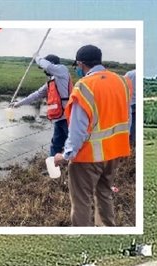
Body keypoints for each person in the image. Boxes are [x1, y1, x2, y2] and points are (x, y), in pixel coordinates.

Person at [54, 44, 133, 227]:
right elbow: (127, 117)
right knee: (104, 194)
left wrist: (65, 156)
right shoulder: (122, 81)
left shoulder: (84, 87)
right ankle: (106, 229)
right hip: (114, 153)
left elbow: (78, 131)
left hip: (87, 157)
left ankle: (81, 235)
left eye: (77, 66)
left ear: (80, 64)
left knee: (82, 201)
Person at [10, 54, 72, 155]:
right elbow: (37, 94)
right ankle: (53, 167)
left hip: (68, 117)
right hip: (59, 117)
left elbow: (48, 66)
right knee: (56, 145)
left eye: (44, 68)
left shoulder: (62, 70)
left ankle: (74, 168)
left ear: (52, 64)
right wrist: (19, 104)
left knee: (72, 145)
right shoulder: (51, 81)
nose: (44, 71)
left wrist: (37, 57)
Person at [125, 69, 137, 148]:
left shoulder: (130, 74)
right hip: (134, 102)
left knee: (131, 123)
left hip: (130, 102)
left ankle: (131, 143)